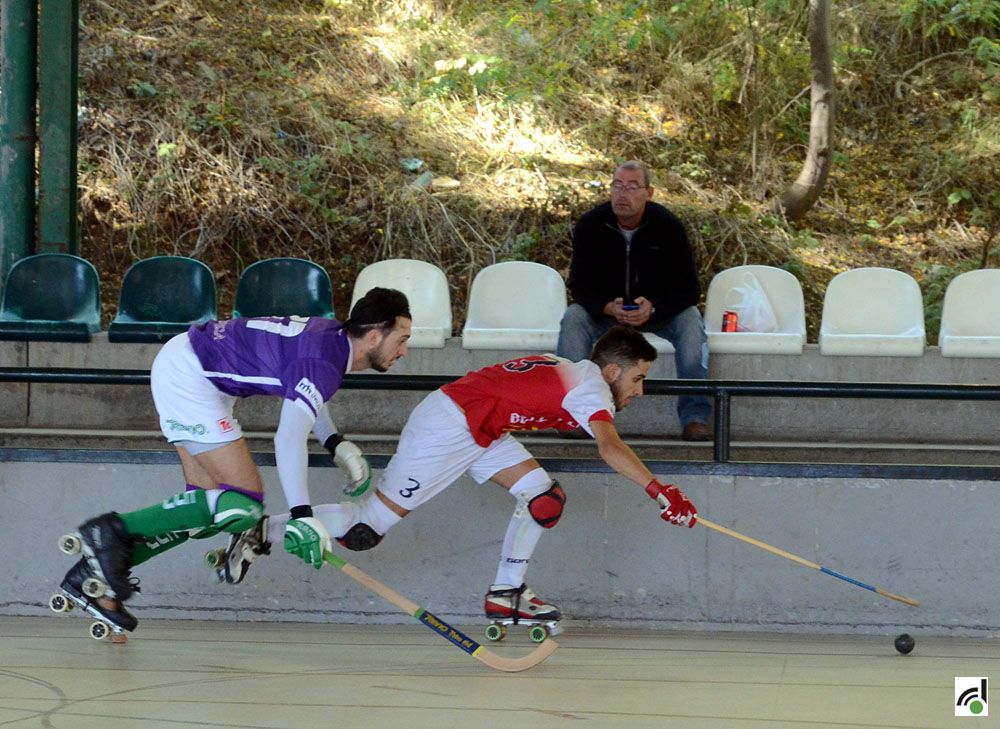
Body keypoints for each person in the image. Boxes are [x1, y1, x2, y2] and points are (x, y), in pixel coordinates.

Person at [231, 326, 698, 625]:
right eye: (637, 379)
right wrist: (660, 491)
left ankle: (506, 593)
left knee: (543, 498)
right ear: (613, 369)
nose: (639, 391)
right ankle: (264, 530)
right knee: (365, 528)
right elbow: (608, 445)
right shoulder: (589, 386)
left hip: (478, 427)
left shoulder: (570, 370)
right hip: (450, 426)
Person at [56, 287, 412, 633]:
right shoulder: (325, 360)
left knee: (204, 515)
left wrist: (333, 441)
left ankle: (93, 575)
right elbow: (288, 437)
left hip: (193, 368)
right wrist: (303, 516)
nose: (405, 350)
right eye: (401, 339)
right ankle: (109, 531)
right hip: (191, 377)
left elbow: (307, 388)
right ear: (374, 337)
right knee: (242, 506)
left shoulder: (332, 337)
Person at [558, 160, 712, 441]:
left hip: (657, 313)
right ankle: (575, 415)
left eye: (631, 187)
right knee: (574, 317)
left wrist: (654, 307)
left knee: (691, 319)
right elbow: (578, 285)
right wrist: (606, 306)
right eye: (617, 186)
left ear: (648, 193)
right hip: (607, 314)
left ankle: (695, 417)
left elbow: (689, 289)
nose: (622, 194)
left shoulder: (668, 226)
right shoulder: (591, 225)